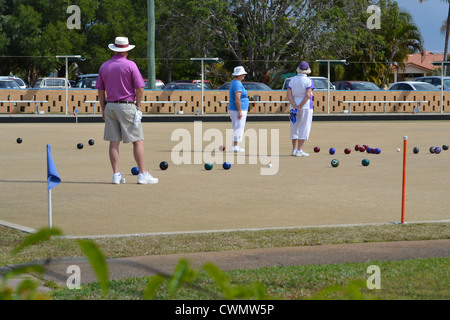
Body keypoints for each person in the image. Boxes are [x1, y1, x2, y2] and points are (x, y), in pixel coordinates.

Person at [95, 36, 158, 184]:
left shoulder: (104, 66)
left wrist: (103, 109)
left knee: (113, 142)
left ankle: (116, 175)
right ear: (127, 51)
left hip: (110, 106)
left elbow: (100, 91)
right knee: (138, 141)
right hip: (127, 106)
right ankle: (142, 174)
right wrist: (138, 106)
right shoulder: (131, 65)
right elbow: (140, 88)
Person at [286, 61, 315, 157]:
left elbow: (289, 95)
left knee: (294, 126)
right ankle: (299, 150)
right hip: (306, 106)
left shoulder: (291, 80)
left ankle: (294, 149)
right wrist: (300, 106)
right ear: (307, 71)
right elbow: (307, 95)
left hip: (293, 106)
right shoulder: (309, 81)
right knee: (304, 126)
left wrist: (294, 105)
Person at [228, 66, 249, 152]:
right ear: (239, 75)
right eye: (243, 74)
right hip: (238, 109)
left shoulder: (235, 82)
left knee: (237, 127)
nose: (244, 75)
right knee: (239, 127)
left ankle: (236, 145)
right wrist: (240, 111)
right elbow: (237, 98)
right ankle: (235, 146)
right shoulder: (237, 84)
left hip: (236, 108)